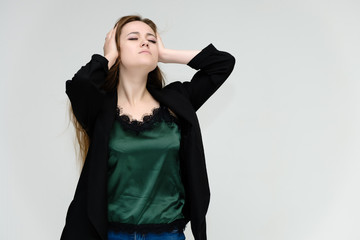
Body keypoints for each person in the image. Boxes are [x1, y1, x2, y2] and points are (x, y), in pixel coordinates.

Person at [61, 15, 235, 240]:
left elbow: (222, 64)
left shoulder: (176, 101)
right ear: (117, 48)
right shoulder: (99, 108)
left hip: (167, 234)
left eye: (152, 40)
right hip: (113, 235)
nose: (145, 43)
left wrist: (165, 55)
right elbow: (80, 85)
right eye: (133, 38)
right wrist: (108, 56)